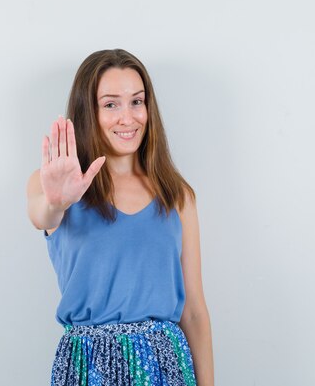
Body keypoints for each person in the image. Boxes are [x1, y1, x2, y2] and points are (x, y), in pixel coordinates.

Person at [26, 49, 214, 386]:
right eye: (111, 104)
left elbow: (194, 311)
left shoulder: (177, 195)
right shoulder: (55, 186)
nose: (127, 118)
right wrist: (57, 201)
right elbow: (42, 214)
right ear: (89, 112)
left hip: (166, 366)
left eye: (136, 102)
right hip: (89, 368)